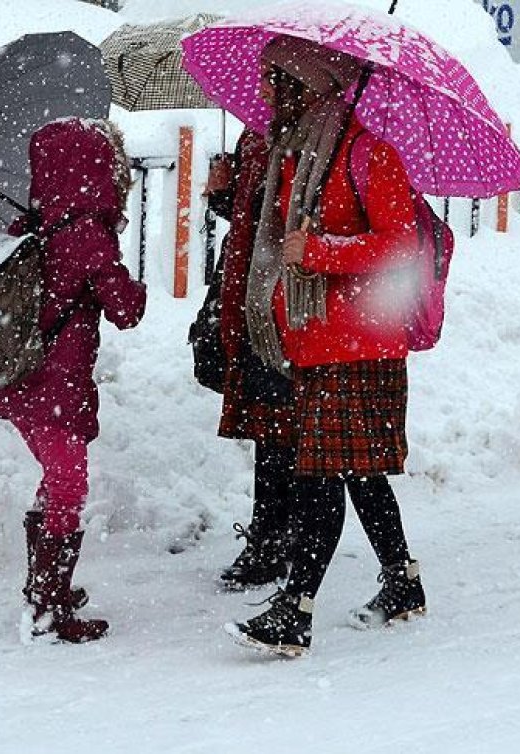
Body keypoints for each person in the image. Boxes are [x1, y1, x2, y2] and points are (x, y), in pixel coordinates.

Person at [224, 36, 426, 657]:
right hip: (315, 342)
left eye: (271, 82)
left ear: (306, 86)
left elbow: (402, 247)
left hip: (359, 344)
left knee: (318, 478)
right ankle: (403, 582)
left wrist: (319, 253)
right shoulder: (299, 154)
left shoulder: (368, 154)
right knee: (359, 475)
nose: (261, 94)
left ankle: (295, 609)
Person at [0, 118, 147, 641]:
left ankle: (44, 588)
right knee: (69, 486)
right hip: (55, 384)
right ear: (96, 169)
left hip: (21, 378)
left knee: (56, 481)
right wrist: (130, 284)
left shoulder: (31, 225)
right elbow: (126, 311)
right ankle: (48, 608)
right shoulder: (87, 236)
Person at [204, 128, 300, 591]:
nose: (261, 86)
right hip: (252, 298)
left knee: (283, 428)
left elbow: (286, 217)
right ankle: (274, 535)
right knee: (270, 430)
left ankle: (277, 539)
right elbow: (247, 218)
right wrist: (224, 190)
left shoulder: (299, 139)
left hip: (282, 301)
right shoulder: (254, 137)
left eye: (270, 77)